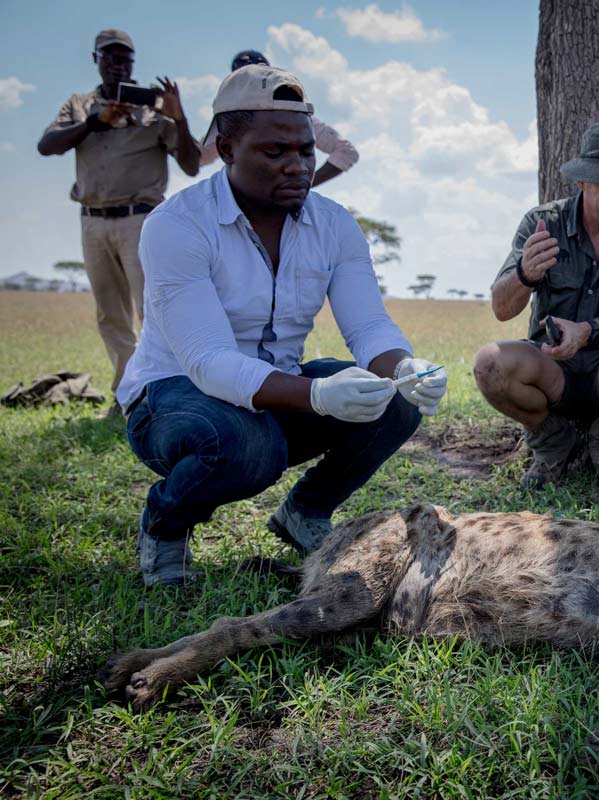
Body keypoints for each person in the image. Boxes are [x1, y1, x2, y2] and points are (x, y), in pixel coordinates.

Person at [115, 65, 447, 586]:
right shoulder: (177, 225)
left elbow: (368, 327)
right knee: (251, 444)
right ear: (225, 150)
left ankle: (305, 512)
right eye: (275, 153)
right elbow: (207, 361)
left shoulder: (333, 224)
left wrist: (406, 367)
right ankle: (165, 523)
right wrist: (316, 396)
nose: (298, 167)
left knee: (395, 399)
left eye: (305, 152)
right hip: (172, 396)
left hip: (273, 393)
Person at [473, 121, 599, 497]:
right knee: (488, 363)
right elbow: (502, 308)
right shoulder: (541, 223)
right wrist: (524, 274)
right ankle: (552, 441)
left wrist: (587, 332)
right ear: (583, 181)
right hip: (550, 365)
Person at [37, 29, 201, 416]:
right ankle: (128, 395)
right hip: (93, 221)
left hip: (141, 220)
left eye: (125, 58)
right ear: (96, 60)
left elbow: (192, 165)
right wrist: (95, 123)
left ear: (133, 62)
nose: (118, 64)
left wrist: (178, 118)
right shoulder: (80, 106)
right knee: (111, 314)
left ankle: (169, 390)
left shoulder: (152, 110)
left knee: (154, 309)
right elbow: (47, 146)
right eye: (109, 57)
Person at [195, 50, 358, 187]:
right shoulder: (231, 118)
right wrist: (180, 121)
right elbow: (198, 159)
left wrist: (303, 185)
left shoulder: (297, 116)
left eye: (305, 150)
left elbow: (346, 152)